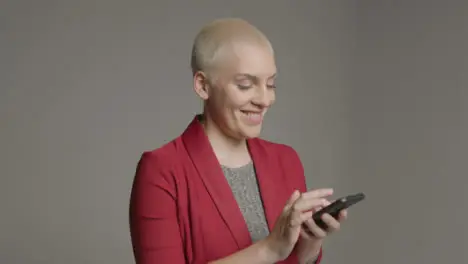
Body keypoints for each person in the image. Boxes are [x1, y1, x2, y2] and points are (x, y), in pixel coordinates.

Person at [129, 18, 348, 264]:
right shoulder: (162, 170)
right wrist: (269, 249)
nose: (265, 100)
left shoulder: (286, 161)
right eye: (245, 85)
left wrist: (309, 245)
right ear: (203, 86)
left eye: (271, 84)